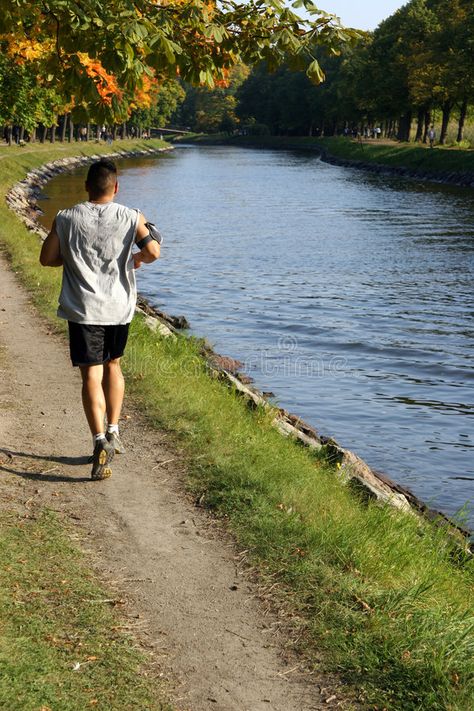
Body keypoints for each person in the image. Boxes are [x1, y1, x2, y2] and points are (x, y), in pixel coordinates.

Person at [39, 159, 161, 480]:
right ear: (116, 187)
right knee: (114, 366)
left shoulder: (65, 218)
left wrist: (74, 259)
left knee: (90, 376)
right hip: (119, 308)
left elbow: (46, 258)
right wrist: (134, 258)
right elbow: (153, 252)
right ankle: (114, 429)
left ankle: (98, 441)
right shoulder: (132, 217)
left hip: (83, 310)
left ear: (86, 186)